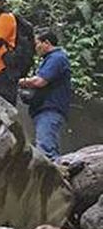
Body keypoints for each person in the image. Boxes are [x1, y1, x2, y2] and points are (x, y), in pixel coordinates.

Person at [20, 29, 72, 158]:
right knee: (48, 147)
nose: (35, 48)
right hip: (45, 110)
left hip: (50, 109)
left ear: (47, 43)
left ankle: (52, 177)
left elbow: (40, 82)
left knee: (46, 151)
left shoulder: (57, 57)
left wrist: (19, 81)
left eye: (37, 43)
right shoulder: (50, 58)